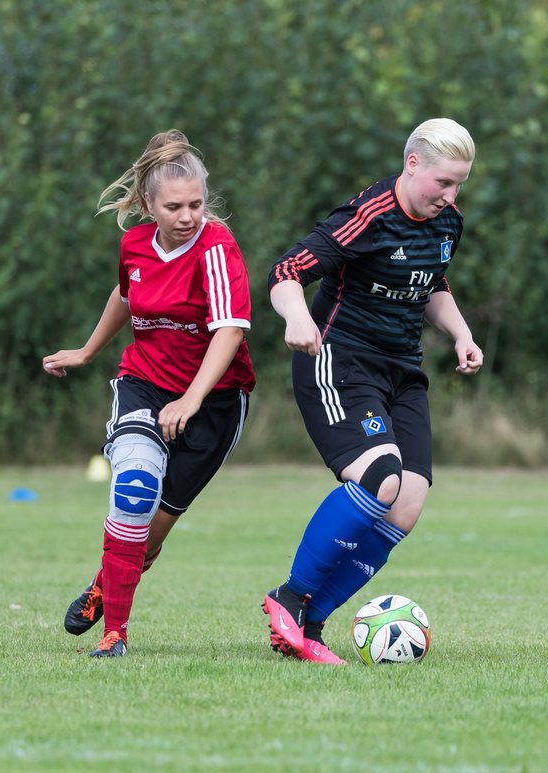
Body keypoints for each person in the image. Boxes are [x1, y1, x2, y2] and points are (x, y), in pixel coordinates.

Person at [260, 118, 483, 665]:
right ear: (413, 165)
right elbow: (286, 271)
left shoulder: (447, 221)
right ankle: (288, 599)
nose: (451, 197)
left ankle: (312, 622)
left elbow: (432, 283)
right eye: (443, 183)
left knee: (406, 502)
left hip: (402, 371)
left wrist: (461, 333)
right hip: (339, 361)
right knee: (381, 477)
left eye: (459, 185)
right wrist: (295, 317)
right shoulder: (368, 216)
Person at [42, 130, 255, 659]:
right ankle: (115, 633)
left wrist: (191, 401)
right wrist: (88, 351)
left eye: (197, 204)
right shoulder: (134, 245)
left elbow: (230, 331)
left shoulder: (217, 248)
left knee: (152, 535)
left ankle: (102, 584)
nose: (188, 216)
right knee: (134, 489)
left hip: (217, 403)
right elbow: (125, 293)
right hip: (144, 383)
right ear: (147, 205)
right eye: (175, 206)